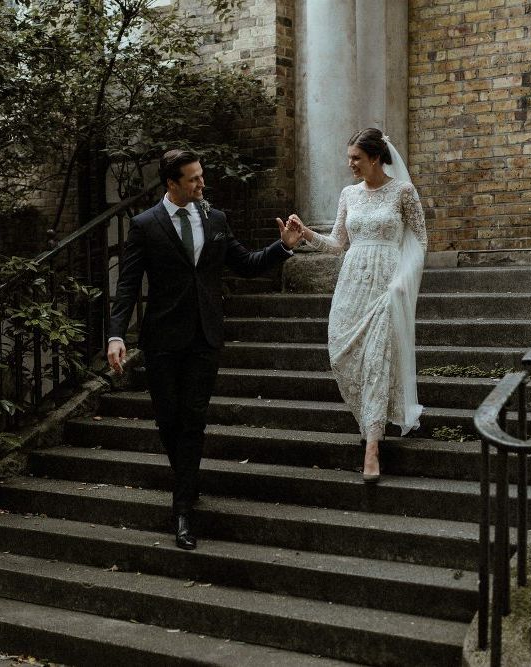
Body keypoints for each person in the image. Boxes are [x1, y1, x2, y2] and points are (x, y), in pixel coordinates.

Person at [107, 148, 302, 550]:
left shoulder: (215, 219)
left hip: (205, 338)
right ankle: (186, 484)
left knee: (193, 419)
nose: (201, 183)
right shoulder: (145, 225)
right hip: (161, 339)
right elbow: (127, 286)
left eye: (201, 176)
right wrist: (115, 335)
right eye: (193, 179)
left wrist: (282, 247)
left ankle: (182, 510)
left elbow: (245, 263)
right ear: (172, 183)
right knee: (169, 421)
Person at [284, 128, 427, 483]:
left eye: (356, 158)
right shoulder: (349, 194)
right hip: (351, 284)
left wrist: (402, 283)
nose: (350, 164)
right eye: (349, 158)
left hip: (386, 283)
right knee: (340, 353)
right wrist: (306, 235)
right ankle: (368, 421)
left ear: (376, 158)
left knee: (377, 360)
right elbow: (337, 243)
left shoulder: (403, 192)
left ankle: (372, 448)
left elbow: (421, 242)